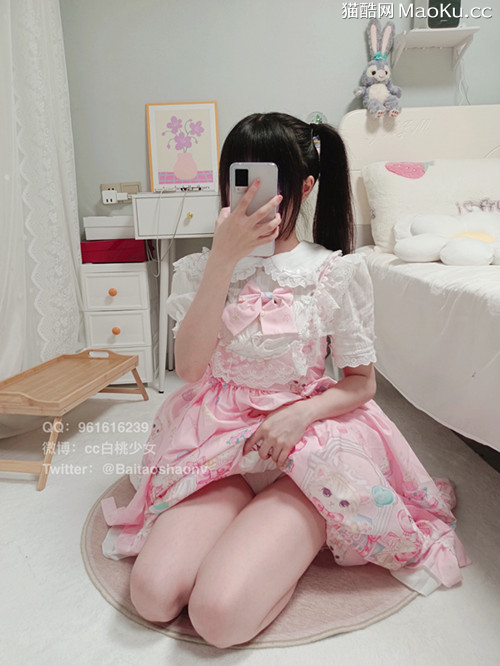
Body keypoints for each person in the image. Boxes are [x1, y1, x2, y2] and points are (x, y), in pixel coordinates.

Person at [101, 112, 470, 648]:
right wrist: (222, 259)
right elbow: (189, 370)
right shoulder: (202, 268)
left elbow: (360, 383)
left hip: (307, 443)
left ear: (306, 185)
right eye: (240, 178)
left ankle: (295, 529)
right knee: (152, 596)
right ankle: (254, 527)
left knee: (218, 616)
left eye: (268, 180)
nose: (252, 195)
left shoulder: (335, 271)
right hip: (220, 438)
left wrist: (299, 415)